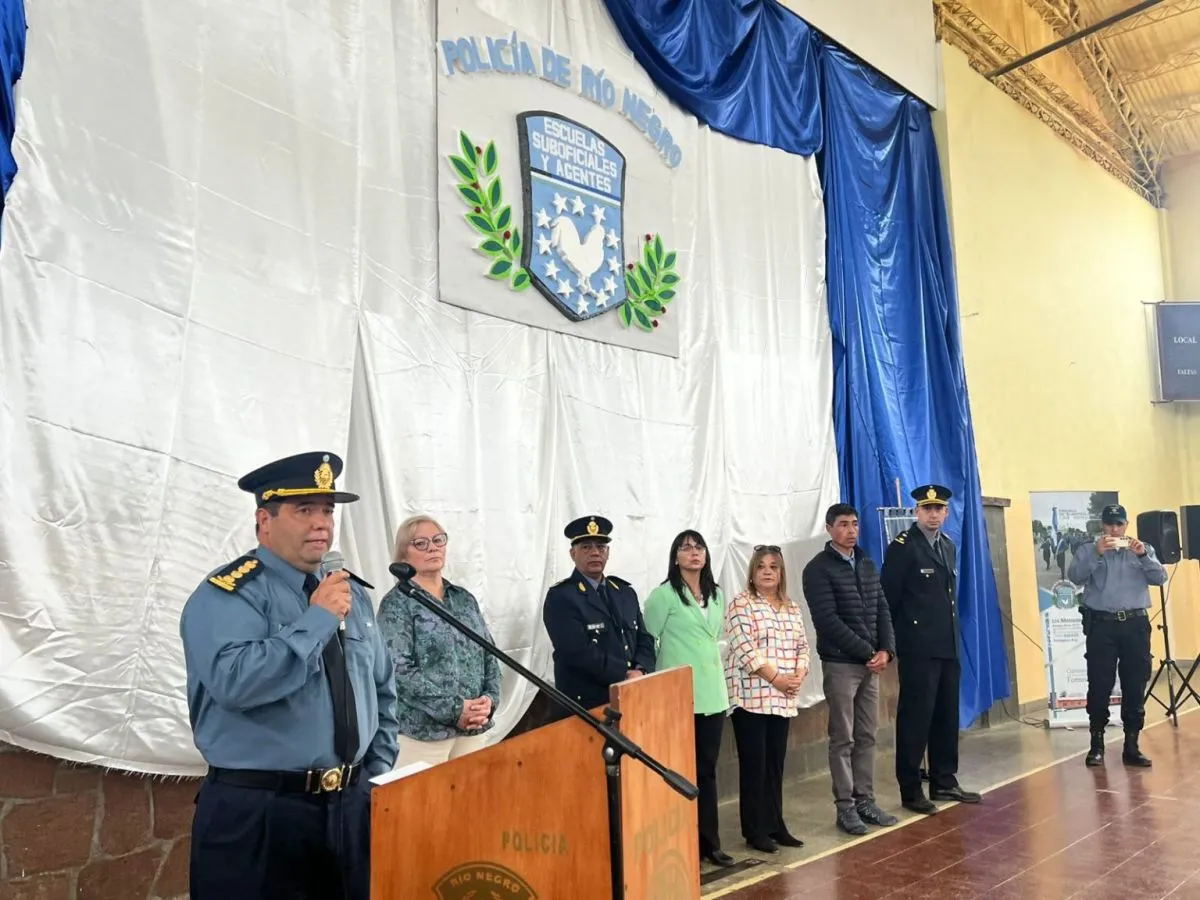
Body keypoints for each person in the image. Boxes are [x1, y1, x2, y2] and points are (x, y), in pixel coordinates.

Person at [180, 451, 399, 900]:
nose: (321, 523)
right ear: (265, 520)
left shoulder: (351, 593)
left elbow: (380, 687)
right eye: (304, 510)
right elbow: (235, 682)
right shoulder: (231, 594)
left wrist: (372, 775)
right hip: (263, 813)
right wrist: (317, 620)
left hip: (350, 808)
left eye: (327, 511)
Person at [882, 484, 981, 815]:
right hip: (918, 649)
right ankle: (910, 789)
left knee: (946, 715)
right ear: (917, 512)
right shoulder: (903, 547)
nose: (933, 514)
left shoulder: (947, 545)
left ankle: (944, 779)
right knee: (915, 718)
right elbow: (889, 600)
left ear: (947, 513)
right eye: (927, 509)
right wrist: (891, 645)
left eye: (939, 509)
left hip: (947, 645)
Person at [801, 503, 899, 835]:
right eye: (843, 524)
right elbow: (827, 620)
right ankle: (845, 807)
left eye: (855, 524)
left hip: (871, 664)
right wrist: (868, 651)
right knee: (842, 738)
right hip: (842, 664)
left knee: (867, 735)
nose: (851, 530)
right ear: (829, 528)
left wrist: (887, 650)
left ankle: (865, 801)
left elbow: (882, 608)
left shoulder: (866, 562)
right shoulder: (817, 569)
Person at [377, 514, 501, 767]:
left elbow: (489, 654)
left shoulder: (464, 599)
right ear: (403, 555)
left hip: (473, 730)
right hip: (422, 736)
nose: (432, 547)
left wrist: (488, 701)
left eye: (438, 540)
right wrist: (456, 709)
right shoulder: (397, 604)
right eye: (420, 543)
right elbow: (398, 670)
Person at [643, 530, 734, 868]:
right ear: (675, 557)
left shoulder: (716, 594)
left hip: (712, 693)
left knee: (707, 770)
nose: (694, 552)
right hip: (679, 696)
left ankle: (711, 842)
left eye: (699, 547)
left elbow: (715, 637)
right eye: (686, 547)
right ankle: (682, 841)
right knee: (681, 770)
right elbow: (647, 641)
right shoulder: (663, 596)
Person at [724, 545, 809, 854]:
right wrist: (777, 679)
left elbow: (803, 646)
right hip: (752, 696)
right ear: (752, 572)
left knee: (775, 764)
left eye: (774, 566)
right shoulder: (741, 604)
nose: (768, 571)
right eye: (761, 566)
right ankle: (755, 830)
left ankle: (775, 824)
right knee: (755, 764)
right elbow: (745, 648)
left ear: (782, 572)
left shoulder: (791, 607)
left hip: (783, 697)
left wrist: (798, 675)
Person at [1069, 504, 1165, 768]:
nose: (1114, 529)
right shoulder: (1088, 549)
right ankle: (1096, 744)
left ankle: (1131, 746)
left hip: (1135, 626)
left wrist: (1143, 555)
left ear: (1126, 525)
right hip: (1102, 626)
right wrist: (1097, 554)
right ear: (1102, 525)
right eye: (1110, 524)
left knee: (1135, 684)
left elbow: (1160, 578)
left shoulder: (1142, 548)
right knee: (1100, 683)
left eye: (1119, 524)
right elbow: (1075, 577)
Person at [542, 515, 655, 719]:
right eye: (586, 547)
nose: (595, 552)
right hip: (586, 707)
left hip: (630, 697)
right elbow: (576, 652)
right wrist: (624, 674)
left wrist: (640, 670)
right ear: (572, 554)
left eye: (601, 547)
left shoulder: (624, 592)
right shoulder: (561, 597)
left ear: (608, 552)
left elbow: (644, 639)